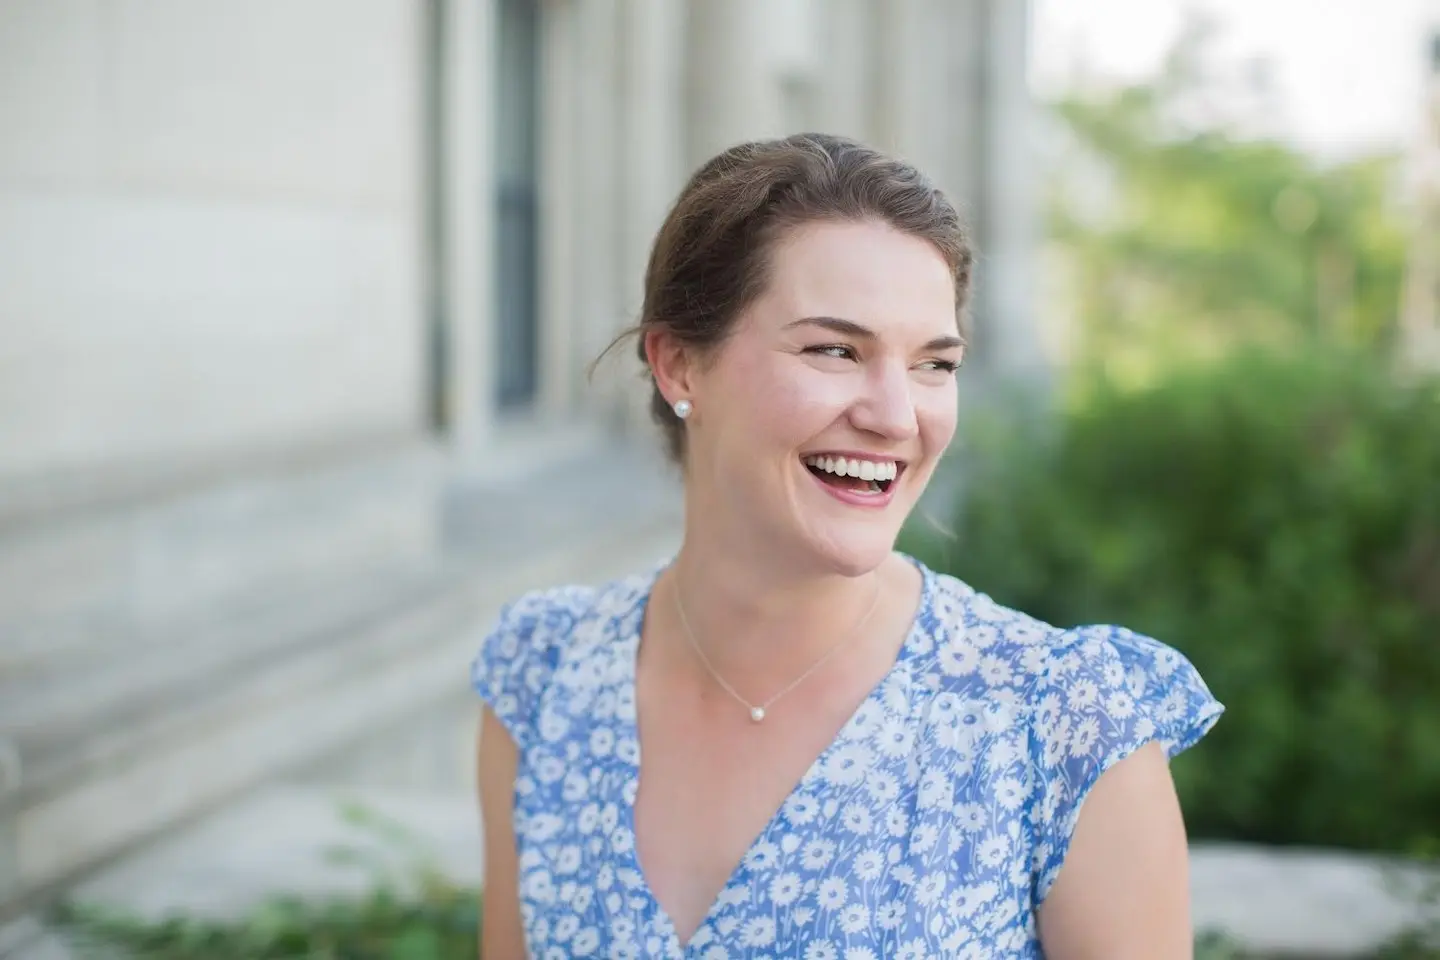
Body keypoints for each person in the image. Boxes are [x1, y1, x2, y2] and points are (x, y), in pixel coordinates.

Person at [473, 132, 1223, 959]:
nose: (897, 417)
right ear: (679, 364)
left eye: (934, 365)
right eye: (835, 350)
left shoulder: (1066, 728)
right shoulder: (542, 676)